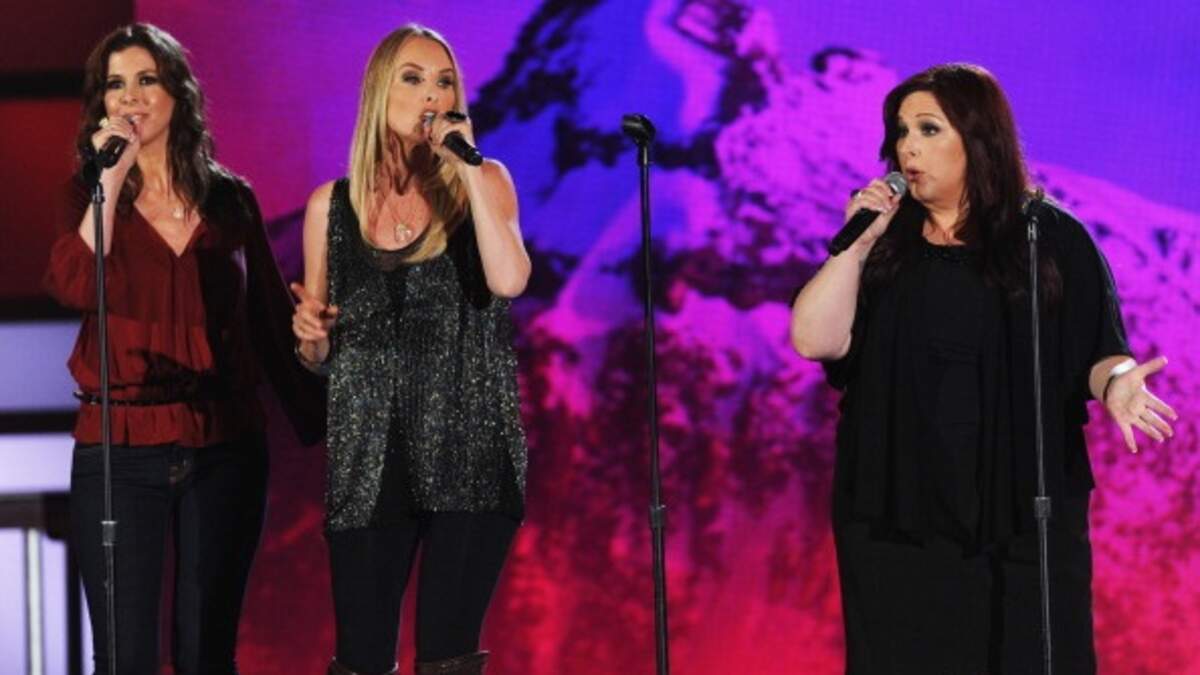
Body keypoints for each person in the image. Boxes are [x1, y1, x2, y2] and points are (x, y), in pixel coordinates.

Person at [789, 63, 1179, 674]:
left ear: (978, 137)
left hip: (1019, 508)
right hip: (897, 510)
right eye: (900, 132)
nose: (907, 147)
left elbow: (1098, 350)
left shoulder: (1047, 237)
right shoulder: (886, 244)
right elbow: (813, 339)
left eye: (928, 129)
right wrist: (856, 245)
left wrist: (1116, 383)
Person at [42, 23, 324, 675]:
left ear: (179, 92)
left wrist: (318, 362)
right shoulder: (86, 198)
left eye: (147, 79)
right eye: (115, 84)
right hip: (119, 448)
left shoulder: (230, 200)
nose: (130, 97)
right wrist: (109, 181)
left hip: (223, 444)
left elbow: (270, 322)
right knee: (124, 657)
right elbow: (75, 284)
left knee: (206, 651)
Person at [290, 24, 530, 675]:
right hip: (369, 456)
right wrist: (312, 340)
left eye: (445, 82)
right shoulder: (330, 208)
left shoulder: (485, 181)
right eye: (414, 78)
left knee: (447, 651)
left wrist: (468, 169)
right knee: (362, 655)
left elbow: (510, 279)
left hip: (469, 449)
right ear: (379, 92)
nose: (432, 95)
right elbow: (318, 354)